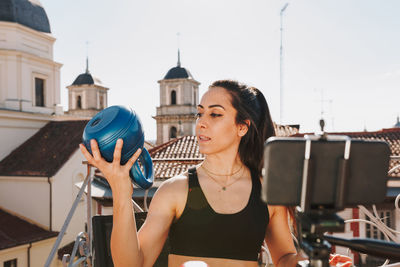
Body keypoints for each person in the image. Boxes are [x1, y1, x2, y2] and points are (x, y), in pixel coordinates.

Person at [80, 80, 350, 267]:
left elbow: (283, 259)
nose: (201, 124)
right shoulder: (175, 190)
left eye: (215, 114)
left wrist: (310, 263)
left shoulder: (269, 191)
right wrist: (121, 192)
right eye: (200, 114)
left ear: (242, 127)